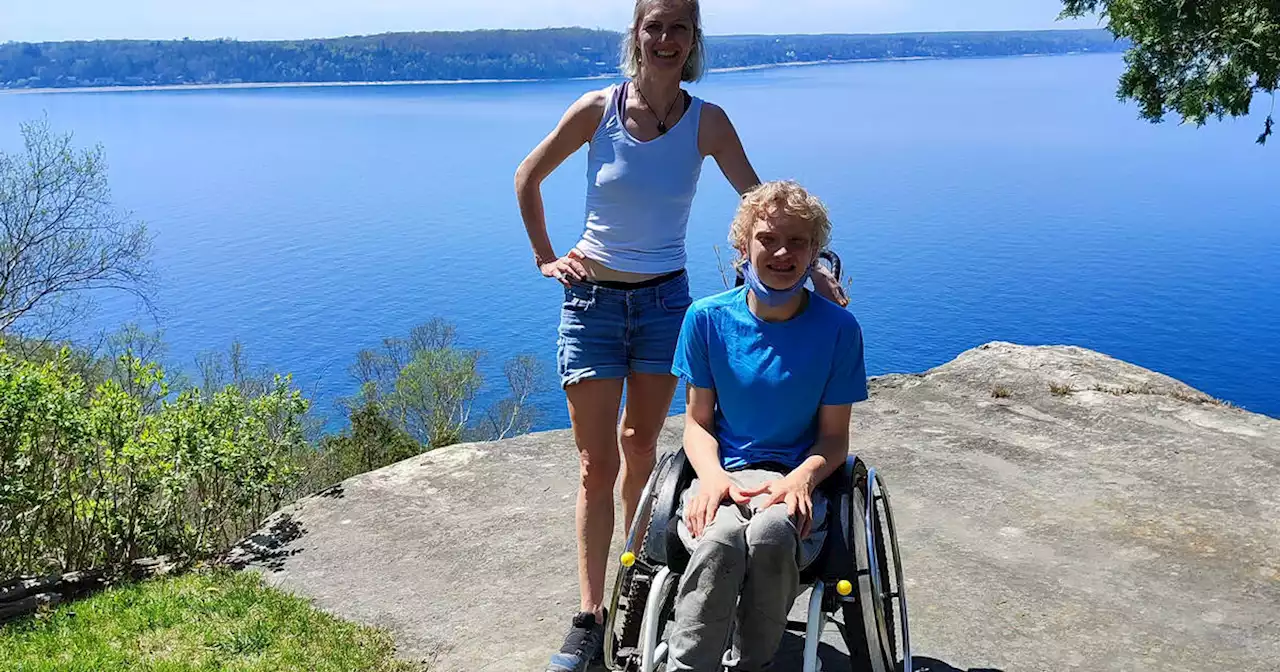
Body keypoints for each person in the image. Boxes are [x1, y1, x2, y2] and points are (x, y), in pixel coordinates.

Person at [514, 2, 847, 670]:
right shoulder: (596, 110)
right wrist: (546, 257)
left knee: (642, 447)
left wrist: (809, 269)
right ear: (636, 35)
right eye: (654, 26)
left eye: (679, 28)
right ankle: (589, 616)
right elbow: (528, 177)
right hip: (593, 303)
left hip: (666, 302)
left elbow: (763, 206)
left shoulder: (707, 122)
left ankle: (636, 585)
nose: (666, 39)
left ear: (694, 41)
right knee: (595, 465)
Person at [667, 180, 868, 671]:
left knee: (775, 533)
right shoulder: (707, 320)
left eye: (798, 241)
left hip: (798, 479)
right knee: (718, 540)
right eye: (768, 239)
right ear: (743, 245)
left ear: (815, 251)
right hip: (727, 473)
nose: (782, 253)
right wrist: (712, 479)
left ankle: (751, 662)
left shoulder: (839, 331)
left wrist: (802, 478)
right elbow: (697, 423)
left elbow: (835, 438)